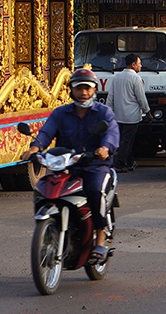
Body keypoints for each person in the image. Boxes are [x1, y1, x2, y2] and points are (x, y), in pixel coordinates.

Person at [21, 67, 120, 264]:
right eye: (79, 88)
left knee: (93, 189)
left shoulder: (103, 112)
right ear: (71, 90)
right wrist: (35, 148)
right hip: (67, 166)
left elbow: (112, 133)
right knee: (44, 188)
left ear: (94, 90)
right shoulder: (60, 113)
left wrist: (105, 148)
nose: (83, 93)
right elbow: (46, 132)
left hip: (95, 166)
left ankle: (100, 238)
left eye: (87, 88)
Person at [107, 53, 152, 172]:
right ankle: (118, 164)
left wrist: (109, 111)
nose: (141, 66)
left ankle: (129, 162)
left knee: (125, 140)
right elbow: (141, 98)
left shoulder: (117, 77)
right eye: (139, 64)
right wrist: (147, 111)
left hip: (118, 115)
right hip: (131, 116)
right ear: (133, 65)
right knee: (126, 141)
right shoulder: (135, 78)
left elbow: (110, 96)